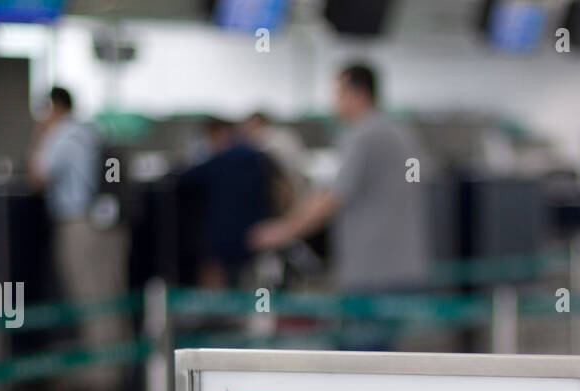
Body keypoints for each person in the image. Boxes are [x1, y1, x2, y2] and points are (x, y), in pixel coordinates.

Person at [250, 63, 432, 300]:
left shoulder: (362, 135)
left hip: (371, 271)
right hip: (406, 265)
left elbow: (332, 197)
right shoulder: (402, 132)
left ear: (357, 94)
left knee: (363, 335)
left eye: (338, 93)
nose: (334, 102)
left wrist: (283, 230)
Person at [28, 86, 128, 389]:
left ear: (54, 107)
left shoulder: (62, 135)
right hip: (107, 224)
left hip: (78, 223)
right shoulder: (89, 131)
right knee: (109, 296)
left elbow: (38, 176)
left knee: (89, 298)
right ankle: (118, 369)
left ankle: (101, 376)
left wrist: (39, 137)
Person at [178, 116, 274, 289]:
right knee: (250, 287)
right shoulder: (258, 158)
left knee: (221, 289)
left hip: (220, 238)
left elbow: (183, 178)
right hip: (254, 235)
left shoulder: (215, 162)